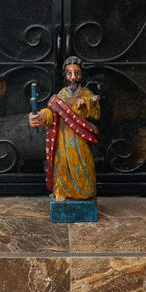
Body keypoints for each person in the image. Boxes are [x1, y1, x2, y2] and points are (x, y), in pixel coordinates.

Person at [29, 55, 100, 202]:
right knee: (62, 165)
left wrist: (87, 103)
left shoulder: (87, 93)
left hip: (80, 139)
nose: (73, 77)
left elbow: (96, 113)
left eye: (77, 73)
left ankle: (85, 192)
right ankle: (61, 190)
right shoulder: (61, 95)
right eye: (69, 73)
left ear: (82, 74)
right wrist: (41, 116)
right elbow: (52, 113)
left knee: (83, 164)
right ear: (65, 75)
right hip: (62, 138)